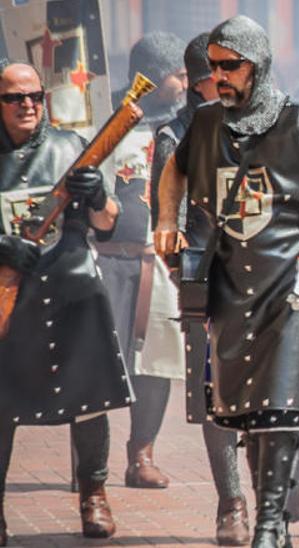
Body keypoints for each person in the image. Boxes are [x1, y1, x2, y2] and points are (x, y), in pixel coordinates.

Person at [153, 16, 299, 547]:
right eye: (214, 66)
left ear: (257, 65)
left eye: (230, 66)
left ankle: (267, 524)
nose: (220, 76)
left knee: (284, 400)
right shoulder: (204, 123)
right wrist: (166, 219)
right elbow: (175, 171)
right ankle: (275, 522)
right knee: (246, 408)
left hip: (291, 284)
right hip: (229, 285)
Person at [0, 60, 131, 543]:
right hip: (8, 298)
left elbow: (107, 223)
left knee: (91, 399)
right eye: (14, 98)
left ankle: (94, 494)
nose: (27, 105)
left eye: (34, 96)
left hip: (72, 288)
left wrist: (97, 196)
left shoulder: (72, 148)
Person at [151, 32, 254, 545]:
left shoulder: (258, 124)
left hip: (265, 274)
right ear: (205, 79)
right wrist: (187, 279)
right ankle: (231, 503)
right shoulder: (175, 137)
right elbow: (164, 219)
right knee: (218, 395)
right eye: (226, 68)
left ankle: (280, 497)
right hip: (208, 278)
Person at [97, 31, 188, 493]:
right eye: (178, 74)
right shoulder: (108, 118)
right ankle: (88, 464)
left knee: (157, 360)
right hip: (105, 257)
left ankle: (141, 455)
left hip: (159, 261)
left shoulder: (183, 126)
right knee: (93, 360)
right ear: (153, 74)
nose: (186, 82)